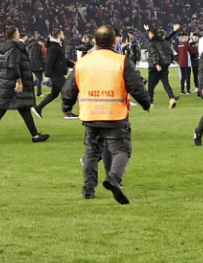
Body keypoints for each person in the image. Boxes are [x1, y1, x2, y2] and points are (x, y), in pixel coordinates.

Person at [61, 25, 152, 204]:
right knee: (122, 149)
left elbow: (70, 87)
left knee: (91, 152)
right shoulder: (121, 60)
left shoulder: (83, 62)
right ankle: (114, 178)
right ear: (114, 41)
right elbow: (135, 86)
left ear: (94, 42)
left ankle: (88, 190)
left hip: (90, 114)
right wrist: (145, 103)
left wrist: (67, 106)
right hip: (114, 115)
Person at [0, 27, 50, 144]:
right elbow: (13, 65)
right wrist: (19, 82)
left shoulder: (3, 48)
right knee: (7, 108)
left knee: (18, 108)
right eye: (18, 33)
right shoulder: (15, 49)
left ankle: (35, 135)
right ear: (15, 36)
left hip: (5, 82)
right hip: (13, 83)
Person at [35, 29, 73, 118]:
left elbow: (63, 60)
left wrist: (75, 65)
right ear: (59, 35)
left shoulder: (56, 46)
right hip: (56, 74)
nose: (63, 35)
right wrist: (47, 75)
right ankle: (67, 112)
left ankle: (38, 108)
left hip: (57, 73)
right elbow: (49, 62)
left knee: (54, 94)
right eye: (62, 34)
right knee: (67, 91)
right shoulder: (54, 47)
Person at [145, 26, 179, 109]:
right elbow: (171, 53)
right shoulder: (165, 42)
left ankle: (150, 103)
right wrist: (168, 63)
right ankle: (171, 98)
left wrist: (156, 64)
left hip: (155, 67)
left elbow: (153, 54)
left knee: (151, 86)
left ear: (152, 34)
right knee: (166, 83)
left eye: (149, 34)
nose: (148, 35)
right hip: (165, 66)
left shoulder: (152, 43)